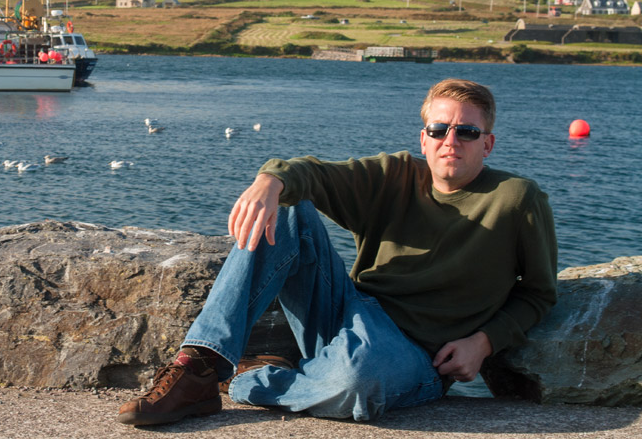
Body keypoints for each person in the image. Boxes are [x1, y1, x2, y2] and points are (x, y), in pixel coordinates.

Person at [118, 78, 558, 426]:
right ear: (423, 139)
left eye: (467, 131)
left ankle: (254, 378)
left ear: (488, 143)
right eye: (439, 129)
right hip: (348, 310)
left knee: (356, 382)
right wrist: (270, 181)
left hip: (413, 351)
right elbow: (313, 174)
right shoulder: (396, 174)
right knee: (288, 209)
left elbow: (538, 293)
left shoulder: (517, 199)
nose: (451, 140)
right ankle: (199, 366)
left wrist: (484, 343)